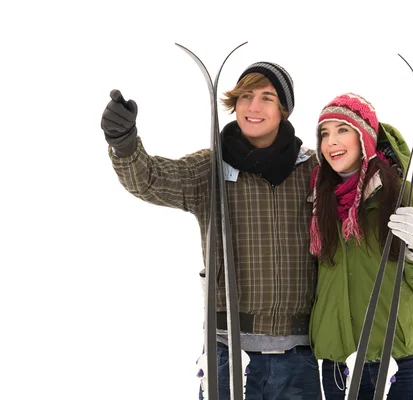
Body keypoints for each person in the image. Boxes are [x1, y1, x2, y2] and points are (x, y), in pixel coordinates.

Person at [100, 62, 322, 399]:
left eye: (267, 97)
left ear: (284, 110)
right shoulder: (211, 168)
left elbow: (362, 205)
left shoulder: (313, 170)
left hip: (298, 353)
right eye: (246, 96)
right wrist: (124, 142)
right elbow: (150, 179)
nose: (254, 107)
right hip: (228, 351)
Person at [308, 93, 413, 399]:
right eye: (324, 133)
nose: (331, 141)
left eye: (342, 130)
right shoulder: (317, 202)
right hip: (339, 364)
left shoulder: (403, 196)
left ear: (365, 137)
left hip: (400, 359)